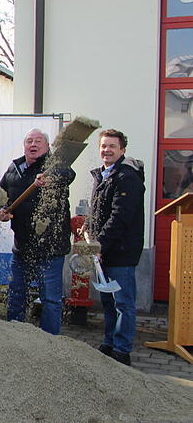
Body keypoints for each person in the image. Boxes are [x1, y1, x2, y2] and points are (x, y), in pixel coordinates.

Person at [0, 128, 74, 335]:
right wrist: (0, 210)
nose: (33, 144)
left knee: (50, 298)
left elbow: (68, 174)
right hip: (22, 246)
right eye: (29, 141)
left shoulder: (55, 166)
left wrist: (50, 177)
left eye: (38, 141)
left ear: (47, 147)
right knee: (17, 293)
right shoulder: (15, 168)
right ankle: (15, 335)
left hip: (50, 247)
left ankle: (48, 341)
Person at [88, 129, 145, 366]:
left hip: (120, 252)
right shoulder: (102, 175)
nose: (107, 150)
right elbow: (98, 213)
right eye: (103, 146)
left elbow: (120, 217)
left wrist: (100, 244)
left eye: (112, 146)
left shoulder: (126, 177)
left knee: (123, 303)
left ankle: (122, 350)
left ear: (122, 150)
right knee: (109, 302)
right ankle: (109, 342)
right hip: (104, 250)